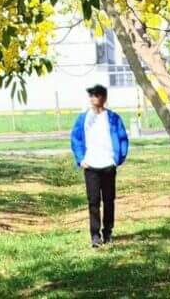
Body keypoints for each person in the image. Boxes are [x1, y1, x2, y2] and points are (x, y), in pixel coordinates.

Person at [70, 84, 129, 248]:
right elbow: (76, 139)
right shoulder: (83, 118)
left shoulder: (113, 118)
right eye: (92, 95)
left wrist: (119, 158)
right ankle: (95, 235)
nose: (95, 98)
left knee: (109, 200)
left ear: (104, 98)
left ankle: (108, 231)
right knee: (93, 201)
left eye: (98, 95)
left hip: (108, 165)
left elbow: (123, 137)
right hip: (91, 166)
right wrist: (81, 159)